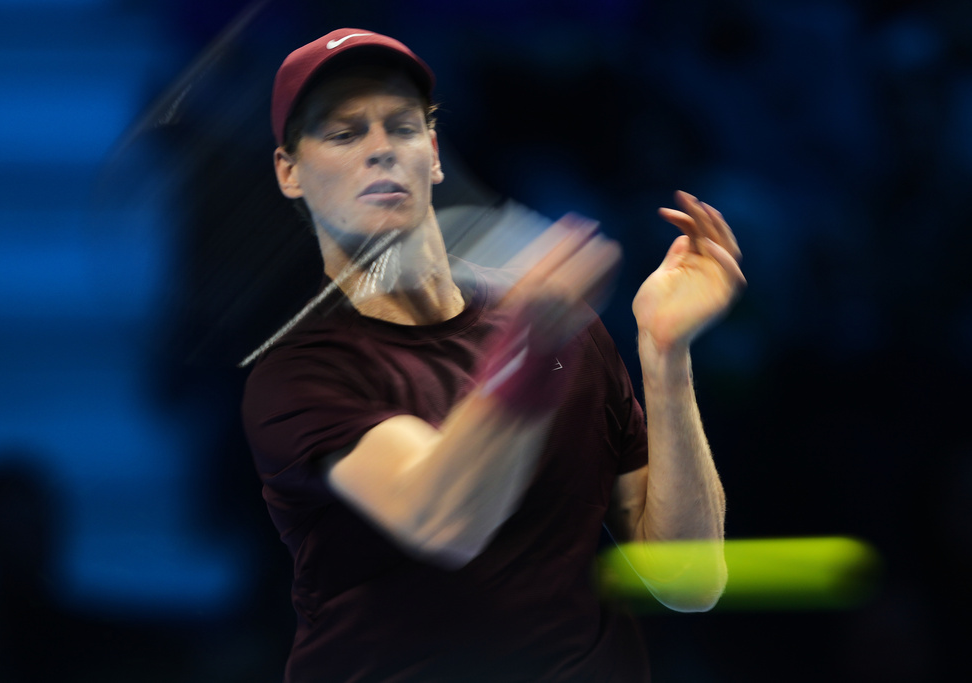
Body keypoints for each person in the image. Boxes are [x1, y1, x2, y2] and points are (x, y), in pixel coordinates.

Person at [241, 28, 745, 682]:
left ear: (435, 151)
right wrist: (529, 354)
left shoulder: (568, 329)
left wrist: (665, 350)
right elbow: (444, 518)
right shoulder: (298, 374)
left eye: (401, 127)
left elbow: (688, 579)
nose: (380, 150)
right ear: (289, 172)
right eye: (343, 134)